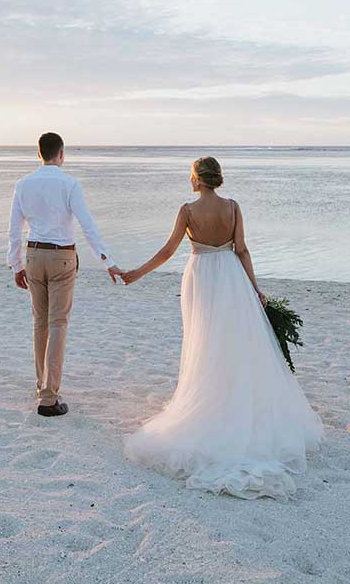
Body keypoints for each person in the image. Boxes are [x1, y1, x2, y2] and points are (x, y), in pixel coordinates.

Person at [110, 156, 323, 498]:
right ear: (218, 178)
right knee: (234, 342)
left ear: (196, 179)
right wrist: (255, 289)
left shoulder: (188, 210)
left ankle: (210, 400)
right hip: (231, 277)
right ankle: (231, 400)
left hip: (202, 277)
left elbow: (168, 251)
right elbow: (242, 250)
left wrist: (137, 273)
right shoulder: (233, 207)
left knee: (205, 343)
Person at [7, 131, 115, 418]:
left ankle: (42, 384)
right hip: (62, 257)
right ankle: (48, 397)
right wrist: (107, 261)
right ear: (62, 153)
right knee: (57, 324)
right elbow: (87, 223)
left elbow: (14, 229)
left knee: (40, 322)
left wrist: (16, 264)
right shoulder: (69, 183)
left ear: (38, 153)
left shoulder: (23, 184)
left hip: (34, 255)